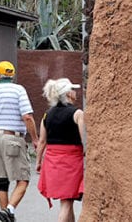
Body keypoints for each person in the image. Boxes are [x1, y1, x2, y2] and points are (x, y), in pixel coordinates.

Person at [0, 61, 39, 222]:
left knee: (2, 180)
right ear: (12, 76)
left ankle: (6, 215)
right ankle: (9, 209)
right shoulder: (19, 90)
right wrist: (35, 139)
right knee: (23, 179)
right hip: (13, 138)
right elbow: (27, 116)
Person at [36, 78, 86, 222]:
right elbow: (85, 140)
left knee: (65, 200)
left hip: (52, 161)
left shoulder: (47, 114)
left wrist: (38, 161)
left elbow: (42, 141)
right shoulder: (78, 113)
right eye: (73, 90)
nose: (75, 92)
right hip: (71, 161)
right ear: (68, 93)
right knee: (67, 203)